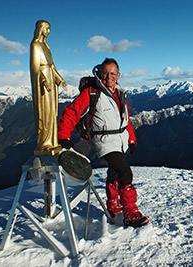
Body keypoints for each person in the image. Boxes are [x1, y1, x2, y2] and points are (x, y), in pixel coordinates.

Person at [58, 58, 148, 228]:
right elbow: (72, 112)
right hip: (104, 141)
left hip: (120, 141)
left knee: (114, 172)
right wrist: (64, 136)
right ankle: (130, 212)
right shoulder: (92, 93)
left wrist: (131, 139)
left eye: (113, 73)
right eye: (105, 73)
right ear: (98, 73)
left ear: (118, 75)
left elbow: (125, 120)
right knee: (124, 172)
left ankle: (113, 205)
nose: (109, 77)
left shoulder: (120, 93)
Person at [30, 20, 67, 155]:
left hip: (51, 79)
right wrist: (43, 79)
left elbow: (52, 66)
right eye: (46, 28)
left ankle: (52, 141)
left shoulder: (46, 46)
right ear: (40, 29)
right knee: (45, 112)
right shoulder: (35, 45)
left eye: (49, 28)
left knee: (52, 112)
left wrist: (60, 79)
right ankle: (44, 142)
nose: (48, 31)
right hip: (44, 81)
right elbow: (35, 67)